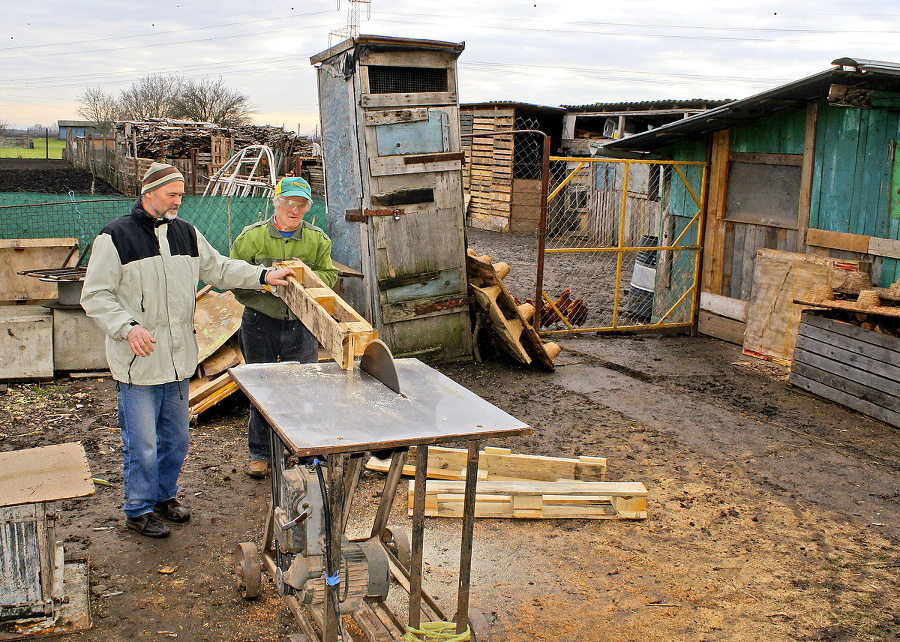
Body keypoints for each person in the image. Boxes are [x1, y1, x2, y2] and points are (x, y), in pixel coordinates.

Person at [81, 162, 295, 538]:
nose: (179, 201)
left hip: (179, 362)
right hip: (139, 362)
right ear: (149, 193)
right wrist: (126, 327)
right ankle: (138, 508)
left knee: (177, 441)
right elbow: (95, 295)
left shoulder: (186, 234)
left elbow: (221, 269)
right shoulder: (115, 237)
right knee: (143, 444)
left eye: (181, 194)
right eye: (172, 194)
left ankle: (164, 497)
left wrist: (263, 277)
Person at [230, 176, 337, 478]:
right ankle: (260, 453)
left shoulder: (317, 240)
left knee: (305, 386)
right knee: (261, 386)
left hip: (300, 323)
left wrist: (304, 284)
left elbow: (329, 276)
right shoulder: (252, 239)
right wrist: (265, 287)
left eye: (301, 204)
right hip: (259, 322)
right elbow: (234, 278)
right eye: (289, 202)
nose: (294, 209)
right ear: (276, 203)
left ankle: (306, 451)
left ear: (306, 209)